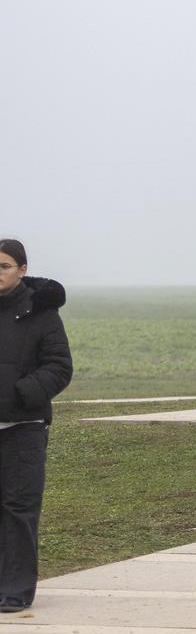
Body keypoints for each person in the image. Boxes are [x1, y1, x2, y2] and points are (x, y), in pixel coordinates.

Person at [0, 239, 73, 613]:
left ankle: (15, 590)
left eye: (4, 266)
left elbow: (59, 366)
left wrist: (21, 393)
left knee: (18, 508)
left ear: (22, 270)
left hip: (23, 427)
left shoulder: (41, 312)